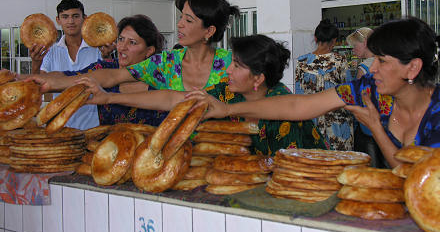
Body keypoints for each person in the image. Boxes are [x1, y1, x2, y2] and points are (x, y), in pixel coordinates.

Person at [188, 18, 440, 168]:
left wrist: (376, 128)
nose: (372, 68)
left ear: (413, 67)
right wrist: (228, 109)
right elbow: (298, 107)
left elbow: (413, 175)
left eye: (382, 62)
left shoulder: (437, 111)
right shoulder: (369, 90)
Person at [76, 35, 328, 155]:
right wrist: (109, 98)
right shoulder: (225, 94)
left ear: (258, 78)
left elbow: (289, 175)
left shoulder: (285, 114)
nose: (227, 70)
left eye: (237, 66)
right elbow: (171, 99)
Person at [28, 0, 239, 95]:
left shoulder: (232, 64)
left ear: (209, 31)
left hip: (227, 158)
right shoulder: (167, 62)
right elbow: (110, 75)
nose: (180, 24)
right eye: (181, 16)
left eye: (188, 20)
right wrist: (38, 80)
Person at [63, 15, 168, 126]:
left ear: (149, 50)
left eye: (132, 42)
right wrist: (43, 73)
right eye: (121, 39)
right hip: (106, 142)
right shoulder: (106, 68)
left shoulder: (162, 80)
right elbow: (68, 77)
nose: (122, 47)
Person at [29, 0, 102, 130]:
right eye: (65, 17)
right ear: (58, 20)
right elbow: (37, 87)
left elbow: (108, 81)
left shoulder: (97, 49)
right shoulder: (51, 51)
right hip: (60, 126)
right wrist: (35, 63)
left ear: (84, 18)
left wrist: (107, 56)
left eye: (75, 16)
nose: (70, 21)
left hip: (93, 124)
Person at [295, 20, 354, 151]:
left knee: (315, 164)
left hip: (311, 123)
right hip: (338, 125)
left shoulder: (302, 62)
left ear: (315, 38)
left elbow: (298, 96)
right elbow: (348, 92)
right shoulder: (340, 61)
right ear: (334, 40)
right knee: (340, 164)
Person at [347, 27, 386, 167]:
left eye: (354, 45)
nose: (353, 49)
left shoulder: (364, 67)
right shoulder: (382, 63)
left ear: (364, 43)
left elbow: (357, 97)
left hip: (366, 125)